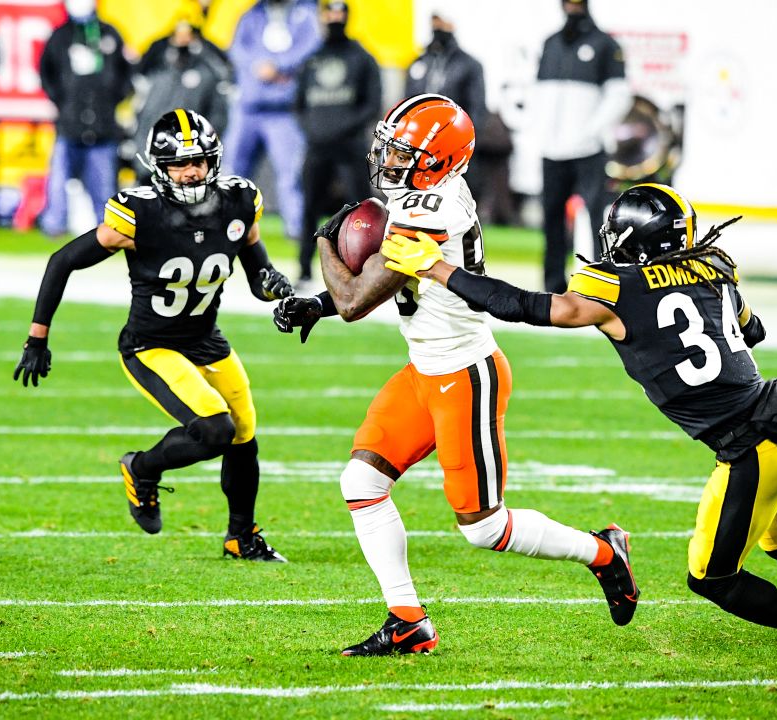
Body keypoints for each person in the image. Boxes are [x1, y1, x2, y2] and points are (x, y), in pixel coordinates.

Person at [381, 183, 777, 674]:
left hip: (750, 443)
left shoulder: (613, 286)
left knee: (711, 578)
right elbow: (751, 333)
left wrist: (438, 269)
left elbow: (532, 308)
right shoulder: (715, 267)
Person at [272, 94, 639, 656]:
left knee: (484, 528)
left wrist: (323, 240)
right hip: (425, 368)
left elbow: (355, 300)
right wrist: (314, 304)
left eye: (404, 153)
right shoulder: (428, 197)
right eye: (390, 149)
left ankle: (604, 552)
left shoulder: (426, 214)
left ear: (438, 160)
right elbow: (378, 284)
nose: (390, 161)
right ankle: (408, 620)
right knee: (361, 483)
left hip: (464, 375)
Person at [13, 109, 294, 561]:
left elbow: (258, 276)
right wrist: (37, 338)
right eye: (180, 164)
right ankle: (141, 468)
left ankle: (241, 537)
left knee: (244, 434)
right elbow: (61, 261)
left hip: (206, 339)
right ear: (159, 168)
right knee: (215, 429)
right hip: (152, 345)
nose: (191, 171)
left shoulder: (239, 201)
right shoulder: (140, 213)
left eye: (199, 160)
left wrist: (275, 285)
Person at [531, 0, 631, 292]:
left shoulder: (605, 44)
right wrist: (541, 133)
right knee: (551, 217)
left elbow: (618, 96)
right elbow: (540, 94)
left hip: (588, 150)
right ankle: (553, 283)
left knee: (594, 217)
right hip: (552, 149)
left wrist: (590, 132)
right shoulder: (550, 42)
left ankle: (599, 279)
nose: (572, 8)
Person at [293, 0, 382, 288]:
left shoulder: (362, 57)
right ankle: (305, 268)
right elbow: (298, 104)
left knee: (362, 210)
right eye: (329, 13)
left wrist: (340, 129)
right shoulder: (312, 58)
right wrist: (313, 130)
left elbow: (372, 104)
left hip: (349, 145)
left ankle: (368, 268)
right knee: (309, 207)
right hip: (317, 146)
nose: (334, 18)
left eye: (339, 13)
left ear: (347, 17)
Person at [38, 0, 133, 238]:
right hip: (69, 123)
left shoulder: (109, 33)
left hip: (103, 124)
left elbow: (126, 73)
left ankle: (108, 227)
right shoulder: (60, 36)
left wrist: (112, 97)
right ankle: (54, 225)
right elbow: (46, 72)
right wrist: (62, 100)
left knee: (103, 184)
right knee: (59, 181)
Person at [226, 0, 320, 240]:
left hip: (283, 109)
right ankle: (224, 224)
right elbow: (236, 50)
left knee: (291, 173)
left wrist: (278, 65)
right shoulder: (251, 15)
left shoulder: (304, 13)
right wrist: (259, 66)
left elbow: (312, 46)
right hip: (248, 107)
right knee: (233, 170)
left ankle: (297, 230)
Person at [132, 5, 233, 185]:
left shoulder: (206, 67)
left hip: (191, 151)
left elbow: (219, 106)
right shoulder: (157, 64)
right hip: (157, 147)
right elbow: (143, 109)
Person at [404, 7, 489, 212]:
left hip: (454, 146)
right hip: (420, 146)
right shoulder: (419, 61)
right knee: (417, 204)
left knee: (458, 205)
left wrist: (462, 144)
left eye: (441, 21)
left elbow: (478, 109)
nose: (437, 26)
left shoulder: (469, 65)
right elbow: (408, 104)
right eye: (434, 21)